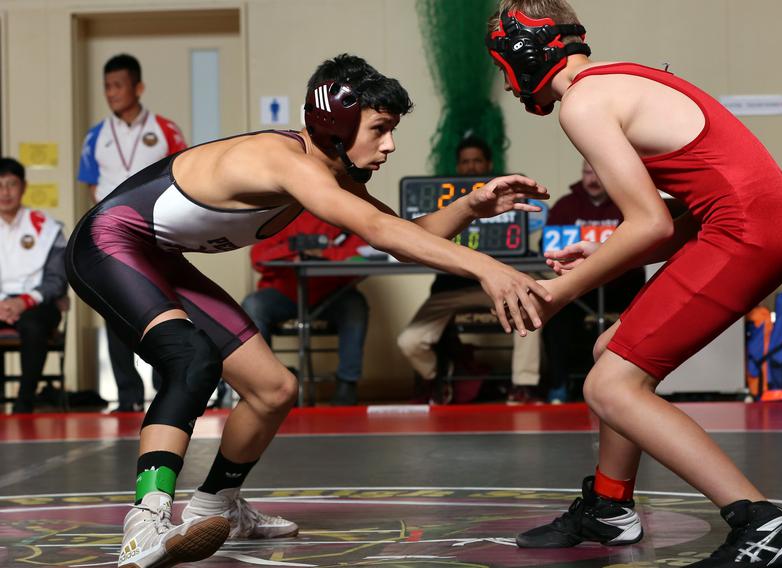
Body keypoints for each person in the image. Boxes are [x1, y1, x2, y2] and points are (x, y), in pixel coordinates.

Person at [66, 53, 551, 568]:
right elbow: (383, 232)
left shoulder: (327, 171)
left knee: (273, 390)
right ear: (337, 122)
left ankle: (217, 505)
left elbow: (403, 237)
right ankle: (145, 521)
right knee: (191, 360)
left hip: (158, 256)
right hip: (107, 245)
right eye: (381, 129)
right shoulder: (286, 161)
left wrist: (471, 206)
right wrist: (486, 267)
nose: (390, 145)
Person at [486, 3, 782, 566]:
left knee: (609, 386)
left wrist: (557, 293)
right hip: (755, 222)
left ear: (524, 54)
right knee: (609, 352)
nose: (509, 84)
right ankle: (611, 508)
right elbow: (682, 211)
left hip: (747, 231)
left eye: (503, 68)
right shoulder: (621, 79)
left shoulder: (582, 103)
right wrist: (609, 248)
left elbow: (652, 224)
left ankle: (765, 527)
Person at [77, 53, 187, 413]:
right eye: (106, 87)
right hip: (111, 235)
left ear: (138, 87)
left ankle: (167, 386)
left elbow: (183, 176)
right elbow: (90, 185)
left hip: (158, 232)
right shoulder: (95, 136)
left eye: (118, 85)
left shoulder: (166, 130)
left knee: (165, 306)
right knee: (116, 311)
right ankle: (127, 396)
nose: (111, 93)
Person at [398, 136, 542, 404]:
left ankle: (524, 385)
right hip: (449, 289)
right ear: (458, 166)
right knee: (409, 341)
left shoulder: (507, 197)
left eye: (477, 161)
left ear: (488, 164)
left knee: (530, 311)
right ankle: (439, 376)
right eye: (465, 162)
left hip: (496, 286)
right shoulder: (444, 201)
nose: (472, 167)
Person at [542, 161, 645, 403]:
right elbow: (547, 249)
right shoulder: (565, 206)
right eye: (588, 173)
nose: (592, 179)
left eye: (598, 173)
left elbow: (641, 249)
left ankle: (637, 388)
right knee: (556, 317)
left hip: (620, 286)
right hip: (579, 290)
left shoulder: (627, 205)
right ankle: (558, 386)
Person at [242, 211, 369, 406]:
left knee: (355, 307)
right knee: (253, 305)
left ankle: (347, 384)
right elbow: (258, 257)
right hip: (284, 293)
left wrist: (323, 253)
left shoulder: (341, 213)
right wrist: (296, 249)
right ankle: (270, 382)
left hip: (332, 294)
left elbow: (361, 255)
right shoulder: (282, 216)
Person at [0, 158, 68, 414]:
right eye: (0, 185)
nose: (5, 192)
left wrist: (23, 301)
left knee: (33, 325)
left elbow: (57, 279)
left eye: (11, 184)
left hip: (38, 304)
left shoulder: (47, 227)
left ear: (24, 187)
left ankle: (24, 403)